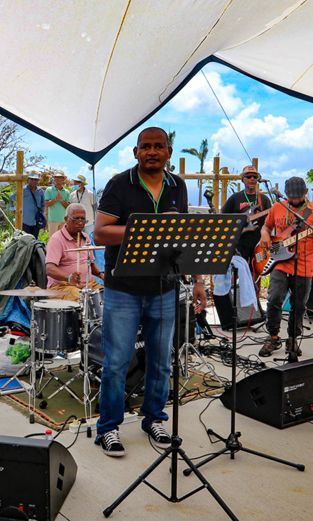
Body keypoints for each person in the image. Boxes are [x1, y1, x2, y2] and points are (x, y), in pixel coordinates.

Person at [93, 127, 207, 457]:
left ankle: (154, 418)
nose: (152, 152)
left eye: (159, 147)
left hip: (165, 288)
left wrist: (197, 279)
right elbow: (100, 232)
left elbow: (184, 238)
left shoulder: (178, 186)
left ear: (169, 152)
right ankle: (108, 428)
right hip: (123, 289)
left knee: (161, 362)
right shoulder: (119, 184)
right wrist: (148, 228)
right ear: (136, 152)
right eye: (146, 147)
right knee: (116, 362)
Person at [259, 176, 313, 358]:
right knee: (274, 298)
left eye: (298, 197)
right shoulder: (278, 207)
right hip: (280, 262)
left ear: (306, 193)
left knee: (299, 305)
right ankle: (273, 336)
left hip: (304, 264)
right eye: (291, 197)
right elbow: (266, 227)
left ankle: (293, 338)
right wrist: (265, 235)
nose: (295, 200)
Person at [45, 203, 104, 301]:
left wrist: (101, 274)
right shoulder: (56, 239)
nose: (80, 222)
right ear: (66, 219)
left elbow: (91, 263)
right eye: (76, 219)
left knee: (108, 297)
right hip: (63, 286)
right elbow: (49, 269)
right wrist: (69, 277)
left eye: (83, 219)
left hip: (89, 285)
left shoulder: (86, 237)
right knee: (81, 299)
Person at [221, 165, 272, 263]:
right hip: (239, 242)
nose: (252, 179)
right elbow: (223, 216)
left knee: (256, 271)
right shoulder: (235, 198)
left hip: (258, 243)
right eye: (248, 177)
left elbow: (269, 221)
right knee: (238, 270)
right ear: (243, 180)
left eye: (255, 177)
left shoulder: (264, 199)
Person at [70, 174, 96, 239]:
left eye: (77, 182)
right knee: (77, 240)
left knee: (89, 240)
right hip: (76, 223)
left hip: (88, 222)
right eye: (75, 182)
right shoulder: (72, 195)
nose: (75, 183)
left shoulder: (90, 194)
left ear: (82, 184)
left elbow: (95, 206)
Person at [18, 172, 45, 236]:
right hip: (25, 221)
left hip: (36, 221)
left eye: (35, 180)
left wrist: (41, 214)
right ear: (28, 180)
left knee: (34, 241)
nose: (33, 181)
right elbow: (11, 199)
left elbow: (43, 203)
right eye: (31, 179)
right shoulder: (22, 190)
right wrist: (13, 209)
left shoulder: (40, 191)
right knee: (25, 241)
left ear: (38, 181)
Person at [44, 171, 71, 236]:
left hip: (64, 220)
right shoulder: (49, 190)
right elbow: (46, 204)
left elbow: (68, 206)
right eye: (55, 177)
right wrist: (56, 199)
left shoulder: (66, 192)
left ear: (63, 179)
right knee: (53, 239)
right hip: (53, 220)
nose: (57, 179)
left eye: (59, 177)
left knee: (63, 240)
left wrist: (61, 199)